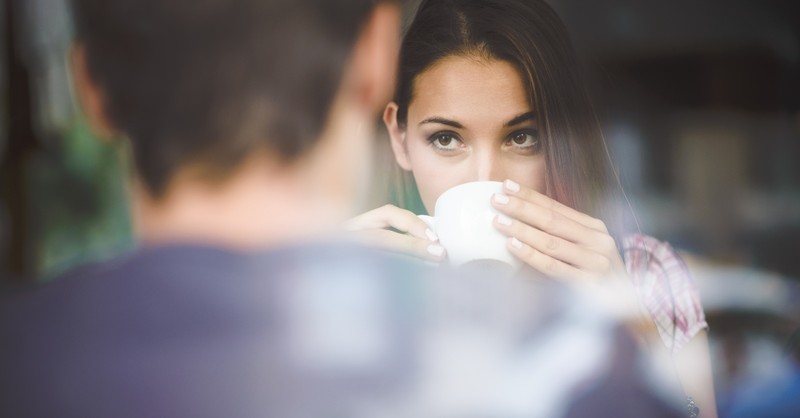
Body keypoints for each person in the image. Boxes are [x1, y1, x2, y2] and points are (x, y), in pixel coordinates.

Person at [345, 0, 716, 416]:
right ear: (399, 139)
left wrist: (627, 332)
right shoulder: (359, 293)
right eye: (447, 139)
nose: (484, 177)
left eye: (522, 137)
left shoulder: (648, 279)